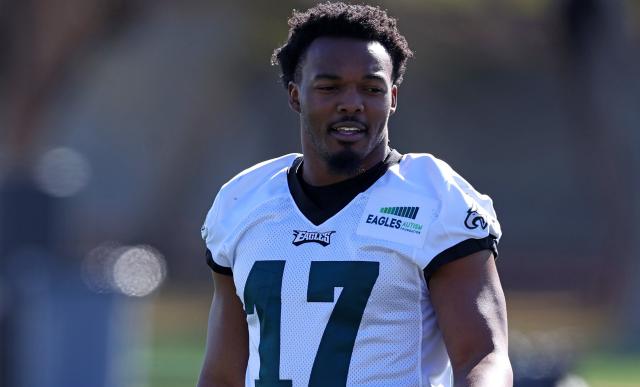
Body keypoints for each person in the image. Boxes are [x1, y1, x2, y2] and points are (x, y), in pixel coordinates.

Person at [197, 2, 512, 386]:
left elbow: (482, 357)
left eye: (371, 88)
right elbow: (222, 376)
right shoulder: (244, 202)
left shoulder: (433, 198)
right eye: (329, 87)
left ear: (392, 98)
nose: (351, 103)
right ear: (296, 96)